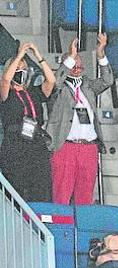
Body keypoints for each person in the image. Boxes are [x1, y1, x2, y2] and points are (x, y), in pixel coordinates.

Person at [47, 34, 113, 205]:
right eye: (73, 64)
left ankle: (81, 229)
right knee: (61, 194)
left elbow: (108, 80)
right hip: (66, 146)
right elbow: (55, 82)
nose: (77, 67)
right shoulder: (59, 88)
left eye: (80, 64)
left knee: (85, 197)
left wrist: (100, 54)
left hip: (89, 148)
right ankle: (60, 230)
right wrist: (70, 56)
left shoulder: (88, 86)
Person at [0, 42, 55, 201]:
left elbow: (51, 81)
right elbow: (5, 80)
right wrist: (19, 56)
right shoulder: (6, 94)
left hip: (35, 142)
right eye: (18, 70)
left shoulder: (34, 92)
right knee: (17, 185)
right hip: (15, 142)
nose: (21, 72)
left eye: (24, 70)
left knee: (40, 184)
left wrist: (38, 55)